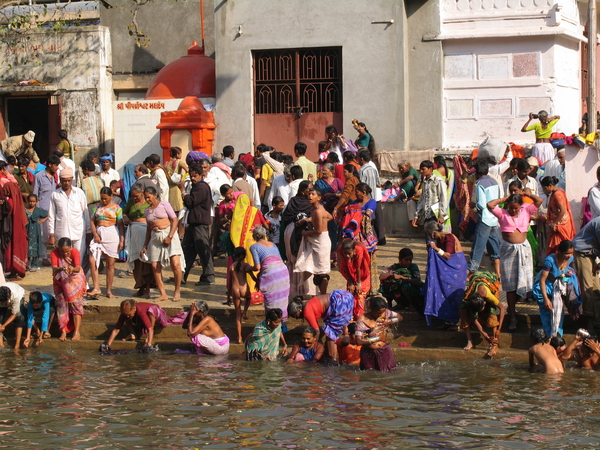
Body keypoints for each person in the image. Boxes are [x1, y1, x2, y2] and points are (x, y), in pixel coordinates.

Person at [487, 192, 542, 330]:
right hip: (508, 251)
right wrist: (505, 199)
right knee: (510, 286)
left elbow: (539, 201)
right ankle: (512, 316)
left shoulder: (526, 210)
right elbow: (490, 205)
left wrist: (526, 194)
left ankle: (514, 308)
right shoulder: (502, 213)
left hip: (524, 251)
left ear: (520, 206)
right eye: (511, 207)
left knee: (524, 283)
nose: (513, 210)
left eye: (516, 208)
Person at [141, 186, 184, 302]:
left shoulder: (164, 204)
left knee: (175, 264)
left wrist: (170, 236)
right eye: (145, 198)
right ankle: (163, 293)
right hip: (155, 237)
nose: (147, 200)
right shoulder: (147, 211)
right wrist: (145, 245)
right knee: (155, 266)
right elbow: (149, 229)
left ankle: (177, 291)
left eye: (149, 197)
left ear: (155, 195)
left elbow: (174, 220)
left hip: (169, 234)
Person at [288, 290, 355, 362]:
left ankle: (333, 360)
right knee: (339, 328)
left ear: (299, 310)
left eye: (296, 316)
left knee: (331, 333)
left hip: (339, 303)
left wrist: (313, 346)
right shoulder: (308, 303)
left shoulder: (307, 312)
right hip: (345, 296)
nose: (297, 318)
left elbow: (316, 330)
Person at [533, 239, 581, 338]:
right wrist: (546, 299)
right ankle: (548, 337)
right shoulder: (549, 261)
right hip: (546, 288)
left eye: (571, 253)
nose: (569, 256)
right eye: (567, 253)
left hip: (558, 288)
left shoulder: (570, 259)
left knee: (559, 313)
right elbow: (542, 280)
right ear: (560, 252)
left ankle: (557, 338)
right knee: (547, 313)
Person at [423, 221, 467, 326]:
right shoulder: (439, 239)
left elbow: (448, 256)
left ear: (433, 233)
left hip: (455, 270)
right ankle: (445, 319)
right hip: (446, 272)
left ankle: (455, 321)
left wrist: (435, 248)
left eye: (429, 234)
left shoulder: (449, 238)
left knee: (454, 294)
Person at [48, 167, 90, 268]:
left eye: (68, 180)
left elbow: (86, 212)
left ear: (72, 180)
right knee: (64, 260)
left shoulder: (79, 193)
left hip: (79, 231)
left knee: (78, 260)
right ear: (60, 181)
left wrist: (89, 232)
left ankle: (80, 282)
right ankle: (66, 282)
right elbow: (51, 215)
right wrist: (51, 234)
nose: (66, 183)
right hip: (62, 233)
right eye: (64, 181)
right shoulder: (55, 195)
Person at [88, 187, 125, 299]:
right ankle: (96, 287)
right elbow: (92, 222)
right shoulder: (96, 207)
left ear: (111, 197)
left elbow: (120, 225)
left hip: (111, 234)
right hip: (99, 232)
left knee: (110, 264)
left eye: (106, 199)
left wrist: (122, 240)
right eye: (102, 198)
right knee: (92, 259)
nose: (103, 201)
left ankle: (108, 290)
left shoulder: (117, 208)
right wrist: (95, 234)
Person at [249, 226, 290, 327]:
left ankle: (271, 328)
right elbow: (279, 260)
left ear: (254, 236)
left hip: (271, 273)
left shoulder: (254, 246)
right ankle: (283, 328)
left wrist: (249, 269)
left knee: (271, 301)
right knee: (282, 300)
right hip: (283, 271)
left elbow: (257, 266)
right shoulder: (273, 245)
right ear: (265, 235)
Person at [294, 188, 332, 294]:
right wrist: (311, 220)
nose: (310, 196)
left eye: (313, 194)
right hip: (318, 240)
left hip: (321, 241)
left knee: (322, 271)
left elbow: (319, 231)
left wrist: (306, 233)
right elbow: (330, 217)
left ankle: (323, 295)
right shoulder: (317, 209)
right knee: (315, 268)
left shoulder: (319, 211)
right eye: (309, 194)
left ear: (319, 198)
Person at [467, 160, 501, 278]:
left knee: (477, 248)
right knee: (494, 247)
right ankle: (498, 273)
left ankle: (470, 274)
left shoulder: (479, 183)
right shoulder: (494, 181)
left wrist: (473, 205)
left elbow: (481, 204)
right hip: (494, 218)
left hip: (484, 218)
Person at [182, 164, 215, 286]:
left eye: (195, 176)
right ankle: (181, 274)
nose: (192, 178)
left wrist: (184, 193)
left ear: (201, 175)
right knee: (187, 249)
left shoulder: (201, 187)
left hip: (200, 223)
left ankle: (208, 276)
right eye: (191, 176)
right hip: (194, 222)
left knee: (203, 249)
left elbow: (191, 202)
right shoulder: (196, 186)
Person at [460, 272, 505, 356]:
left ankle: (495, 344)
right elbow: (474, 319)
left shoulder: (488, 295)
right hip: (473, 293)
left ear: (484, 303)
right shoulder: (470, 299)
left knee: (492, 310)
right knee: (463, 310)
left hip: (487, 282)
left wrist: (499, 328)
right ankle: (469, 341)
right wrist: (485, 335)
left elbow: (502, 308)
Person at [51, 237, 87, 341]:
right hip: (59, 281)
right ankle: (63, 331)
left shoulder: (75, 252)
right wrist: (62, 268)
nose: (65, 254)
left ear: (70, 248)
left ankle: (76, 331)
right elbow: (54, 268)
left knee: (76, 303)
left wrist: (71, 269)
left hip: (74, 280)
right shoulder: (54, 253)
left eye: (67, 251)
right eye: (62, 251)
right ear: (59, 249)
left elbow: (77, 267)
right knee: (61, 305)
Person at [354, 296, 402, 372]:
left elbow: (400, 317)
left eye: (383, 312)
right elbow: (358, 341)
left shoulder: (386, 313)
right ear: (371, 310)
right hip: (369, 353)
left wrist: (389, 322)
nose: (381, 315)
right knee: (369, 376)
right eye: (378, 312)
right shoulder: (362, 320)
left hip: (384, 350)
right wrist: (378, 338)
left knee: (389, 374)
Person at [123, 185, 153, 298]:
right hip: (134, 233)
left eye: (136, 196)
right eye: (132, 196)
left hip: (145, 232)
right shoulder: (130, 202)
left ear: (142, 194)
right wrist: (125, 217)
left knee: (146, 261)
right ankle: (140, 287)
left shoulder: (148, 201)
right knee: (136, 261)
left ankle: (148, 290)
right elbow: (125, 212)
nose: (134, 198)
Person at [105, 299, 169, 348]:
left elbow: (150, 329)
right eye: (125, 314)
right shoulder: (125, 313)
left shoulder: (140, 311)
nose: (127, 316)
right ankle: (133, 333)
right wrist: (108, 345)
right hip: (140, 321)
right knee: (126, 318)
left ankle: (149, 337)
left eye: (129, 314)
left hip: (157, 315)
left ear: (134, 308)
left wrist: (149, 344)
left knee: (152, 310)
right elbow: (116, 329)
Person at [541, 176, 575, 256]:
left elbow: (562, 211)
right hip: (559, 224)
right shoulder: (557, 192)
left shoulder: (557, 194)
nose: (544, 190)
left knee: (558, 248)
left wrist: (554, 224)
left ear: (550, 185)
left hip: (560, 226)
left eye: (545, 188)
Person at [338, 239, 371, 318]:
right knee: (351, 294)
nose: (347, 256)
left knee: (360, 296)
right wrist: (350, 282)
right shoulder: (340, 249)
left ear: (354, 251)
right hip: (350, 273)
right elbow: (345, 265)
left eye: (349, 253)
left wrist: (358, 284)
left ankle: (359, 318)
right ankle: (351, 316)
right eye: (345, 254)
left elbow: (358, 267)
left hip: (362, 274)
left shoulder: (359, 250)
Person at [227, 247, 254, 343]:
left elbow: (230, 283)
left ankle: (239, 338)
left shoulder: (232, 266)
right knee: (249, 298)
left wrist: (228, 297)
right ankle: (245, 312)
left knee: (237, 316)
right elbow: (253, 276)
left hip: (235, 290)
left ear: (234, 255)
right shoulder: (245, 265)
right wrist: (257, 281)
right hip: (244, 288)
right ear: (244, 256)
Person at [411, 160, 448, 228]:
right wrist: (417, 215)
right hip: (426, 215)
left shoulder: (438, 181)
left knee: (434, 235)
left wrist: (441, 215)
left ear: (430, 169)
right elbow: (422, 199)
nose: (421, 171)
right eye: (420, 169)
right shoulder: (424, 182)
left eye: (423, 169)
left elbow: (443, 198)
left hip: (435, 215)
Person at [25, 194, 48, 272]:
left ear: (36, 202)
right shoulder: (25, 210)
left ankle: (35, 264)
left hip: (35, 230)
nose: (31, 203)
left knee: (36, 245)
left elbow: (48, 214)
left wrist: (42, 221)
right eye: (30, 201)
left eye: (33, 201)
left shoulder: (38, 210)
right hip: (27, 230)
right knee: (26, 246)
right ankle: (27, 264)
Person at [0, 283, 26, 348]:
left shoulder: (16, 296)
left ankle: (17, 345)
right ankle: (1, 345)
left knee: (19, 317)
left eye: (5, 302)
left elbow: (14, 314)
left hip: (19, 294)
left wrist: (4, 325)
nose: (4, 304)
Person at [164, 146, 187, 214]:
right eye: (180, 153)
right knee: (179, 209)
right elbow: (187, 170)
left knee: (171, 209)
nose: (181, 155)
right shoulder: (179, 162)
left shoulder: (166, 164)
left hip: (169, 188)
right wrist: (183, 179)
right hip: (178, 188)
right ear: (177, 154)